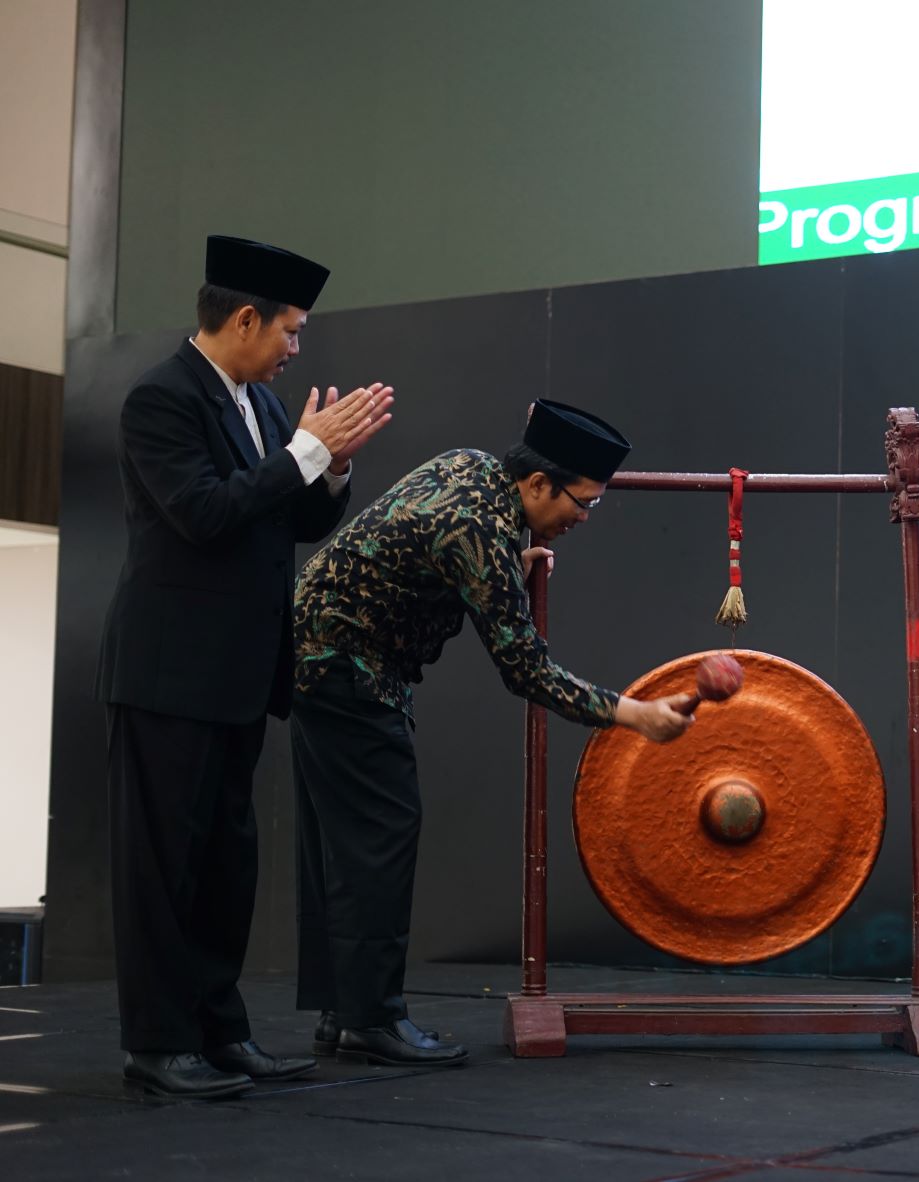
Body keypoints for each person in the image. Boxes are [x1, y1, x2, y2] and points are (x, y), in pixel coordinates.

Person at [290, 400, 695, 1066]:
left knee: (346, 844)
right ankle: (370, 1020)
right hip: (347, 673)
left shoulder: (472, 468)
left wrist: (510, 558)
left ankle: (345, 1012)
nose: (581, 519)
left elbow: (437, 546)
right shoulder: (477, 534)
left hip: (314, 661)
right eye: (581, 502)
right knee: (379, 841)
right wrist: (635, 714)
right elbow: (526, 669)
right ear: (537, 484)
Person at [97, 235, 394, 1098]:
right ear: (242, 319)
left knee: (226, 867)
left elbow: (288, 523)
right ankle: (157, 1044)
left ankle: (220, 1034)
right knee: (163, 870)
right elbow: (202, 514)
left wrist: (330, 468)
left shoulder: (262, 407)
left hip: (233, 676)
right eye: (291, 331)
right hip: (165, 675)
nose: (296, 348)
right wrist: (303, 453)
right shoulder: (160, 399)